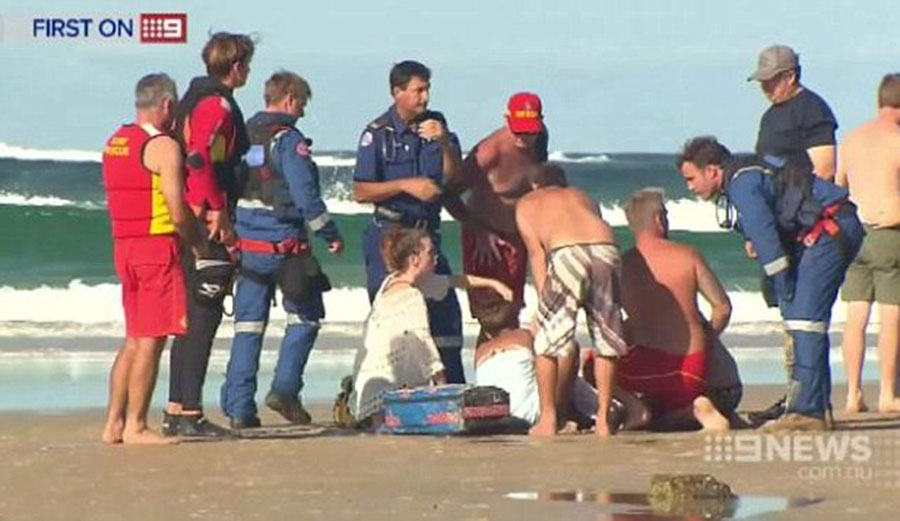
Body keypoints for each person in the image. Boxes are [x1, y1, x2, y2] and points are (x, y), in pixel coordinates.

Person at [677, 136, 864, 432]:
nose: (689, 187)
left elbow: (768, 241)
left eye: (691, 179)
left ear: (712, 171)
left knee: (803, 319)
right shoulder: (747, 175)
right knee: (803, 319)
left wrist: (782, 285)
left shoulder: (742, 184)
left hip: (830, 229)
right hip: (833, 226)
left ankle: (808, 412)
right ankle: (814, 407)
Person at [219, 71, 343, 429]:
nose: (301, 113)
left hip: (247, 247)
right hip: (285, 246)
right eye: (301, 104)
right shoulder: (288, 140)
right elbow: (306, 196)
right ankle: (285, 389)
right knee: (306, 315)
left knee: (248, 326)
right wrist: (330, 234)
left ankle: (238, 408)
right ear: (289, 99)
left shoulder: (242, 134)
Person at [101, 73, 205, 445]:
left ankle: (114, 422)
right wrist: (198, 243)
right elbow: (177, 209)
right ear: (166, 105)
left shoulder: (117, 140)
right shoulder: (162, 145)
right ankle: (136, 425)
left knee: (133, 337)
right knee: (152, 339)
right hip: (155, 246)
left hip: (124, 245)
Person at [352, 60, 466, 383]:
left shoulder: (436, 125)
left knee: (444, 312)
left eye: (427, 89)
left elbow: (455, 179)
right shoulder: (377, 134)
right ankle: (383, 390)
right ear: (397, 92)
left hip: (427, 234)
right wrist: (405, 185)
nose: (425, 98)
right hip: (390, 232)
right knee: (392, 316)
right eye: (418, 90)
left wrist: (444, 143)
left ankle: (452, 389)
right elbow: (360, 190)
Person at [164, 32, 254, 438]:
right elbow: (200, 156)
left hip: (190, 215)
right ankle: (189, 412)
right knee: (203, 313)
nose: (247, 71)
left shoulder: (192, 98)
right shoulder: (215, 104)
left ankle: (177, 408)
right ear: (235, 66)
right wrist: (216, 208)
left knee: (190, 314)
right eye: (246, 64)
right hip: (205, 219)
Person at [349, 227, 512, 426]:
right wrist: (444, 390)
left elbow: (453, 280)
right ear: (414, 259)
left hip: (365, 391)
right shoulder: (412, 297)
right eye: (431, 252)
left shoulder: (390, 283)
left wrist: (494, 284)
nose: (436, 257)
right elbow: (424, 347)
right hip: (385, 397)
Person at [516, 164, 629, 437]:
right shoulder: (581, 196)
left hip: (566, 251)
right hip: (605, 248)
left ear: (534, 185)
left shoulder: (528, 202)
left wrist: (544, 308)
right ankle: (602, 419)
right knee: (606, 339)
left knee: (548, 344)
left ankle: (548, 418)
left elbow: (537, 256)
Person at [617, 189, 733, 431]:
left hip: (645, 376)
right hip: (691, 371)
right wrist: (708, 340)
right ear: (659, 219)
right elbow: (722, 308)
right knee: (673, 407)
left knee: (592, 365)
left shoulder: (623, 265)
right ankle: (696, 407)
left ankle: (636, 408)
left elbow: (612, 321)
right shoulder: (688, 256)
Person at [444, 92, 549, 341]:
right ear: (506, 120)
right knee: (491, 317)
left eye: (530, 131)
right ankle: (488, 369)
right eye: (519, 131)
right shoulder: (488, 153)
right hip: (484, 237)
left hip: (518, 238)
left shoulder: (540, 141)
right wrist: (478, 230)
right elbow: (447, 194)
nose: (525, 137)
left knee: (513, 312)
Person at [836, 73, 900, 414]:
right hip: (890, 231)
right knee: (891, 316)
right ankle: (888, 392)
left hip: (855, 232)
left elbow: (838, 186)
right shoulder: (897, 140)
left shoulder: (851, 139)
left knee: (856, 315)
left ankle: (852, 393)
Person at [749, 44, 839, 181]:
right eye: (762, 82)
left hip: (804, 199)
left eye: (769, 81)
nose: (764, 88)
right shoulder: (769, 116)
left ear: (790, 77)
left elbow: (825, 170)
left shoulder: (812, 109)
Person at [472, 294, 540, 427]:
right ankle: (558, 418)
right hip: (526, 417)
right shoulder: (524, 336)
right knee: (558, 356)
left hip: (492, 420)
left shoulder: (480, 352)